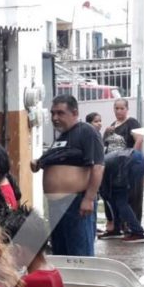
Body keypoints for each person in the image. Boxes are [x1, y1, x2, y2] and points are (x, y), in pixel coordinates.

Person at [31, 94, 104, 256]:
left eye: (60, 113)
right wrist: (39, 163)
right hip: (55, 205)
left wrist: (88, 199)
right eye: (52, 113)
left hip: (76, 203)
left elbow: (98, 167)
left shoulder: (87, 131)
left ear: (75, 113)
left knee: (80, 256)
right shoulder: (61, 137)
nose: (55, 118)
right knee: (60, 253)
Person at [103, 98, 144, 234]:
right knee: (111, 195)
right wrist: (106, 132)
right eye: (116, 108)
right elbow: (105, 144)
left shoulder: (131, 122)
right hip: (111, 166)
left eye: (122, 108)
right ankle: (116, 225)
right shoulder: (112, 125)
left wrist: (131, 158)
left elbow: (139, 139)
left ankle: (132, 226)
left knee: (129, 196)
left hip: (126, 165)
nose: (119, 111)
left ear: (127, 109)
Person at [98, 149, 144, 242]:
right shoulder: (101, 162)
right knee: (112, 198)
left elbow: (102, 188)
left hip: (132, 163)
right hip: (135, 160)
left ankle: (137, 232)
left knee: (120, 201)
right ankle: (116, 229)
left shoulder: (98, 166)